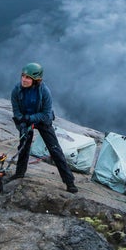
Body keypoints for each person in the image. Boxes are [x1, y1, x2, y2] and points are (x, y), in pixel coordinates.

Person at [11, 62, 78, 193]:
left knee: (55, 150)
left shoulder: (44, 91)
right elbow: (16, 111)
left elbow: (46, 113)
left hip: (43, 121)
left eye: (28, 78)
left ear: (36, 80)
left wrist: (29, 119)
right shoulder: (16, 90)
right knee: (23, 146)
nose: (24, 80)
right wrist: (22, 124)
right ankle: (19, 173)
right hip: (25, 121)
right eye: (23, 76)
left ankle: (69, 182)